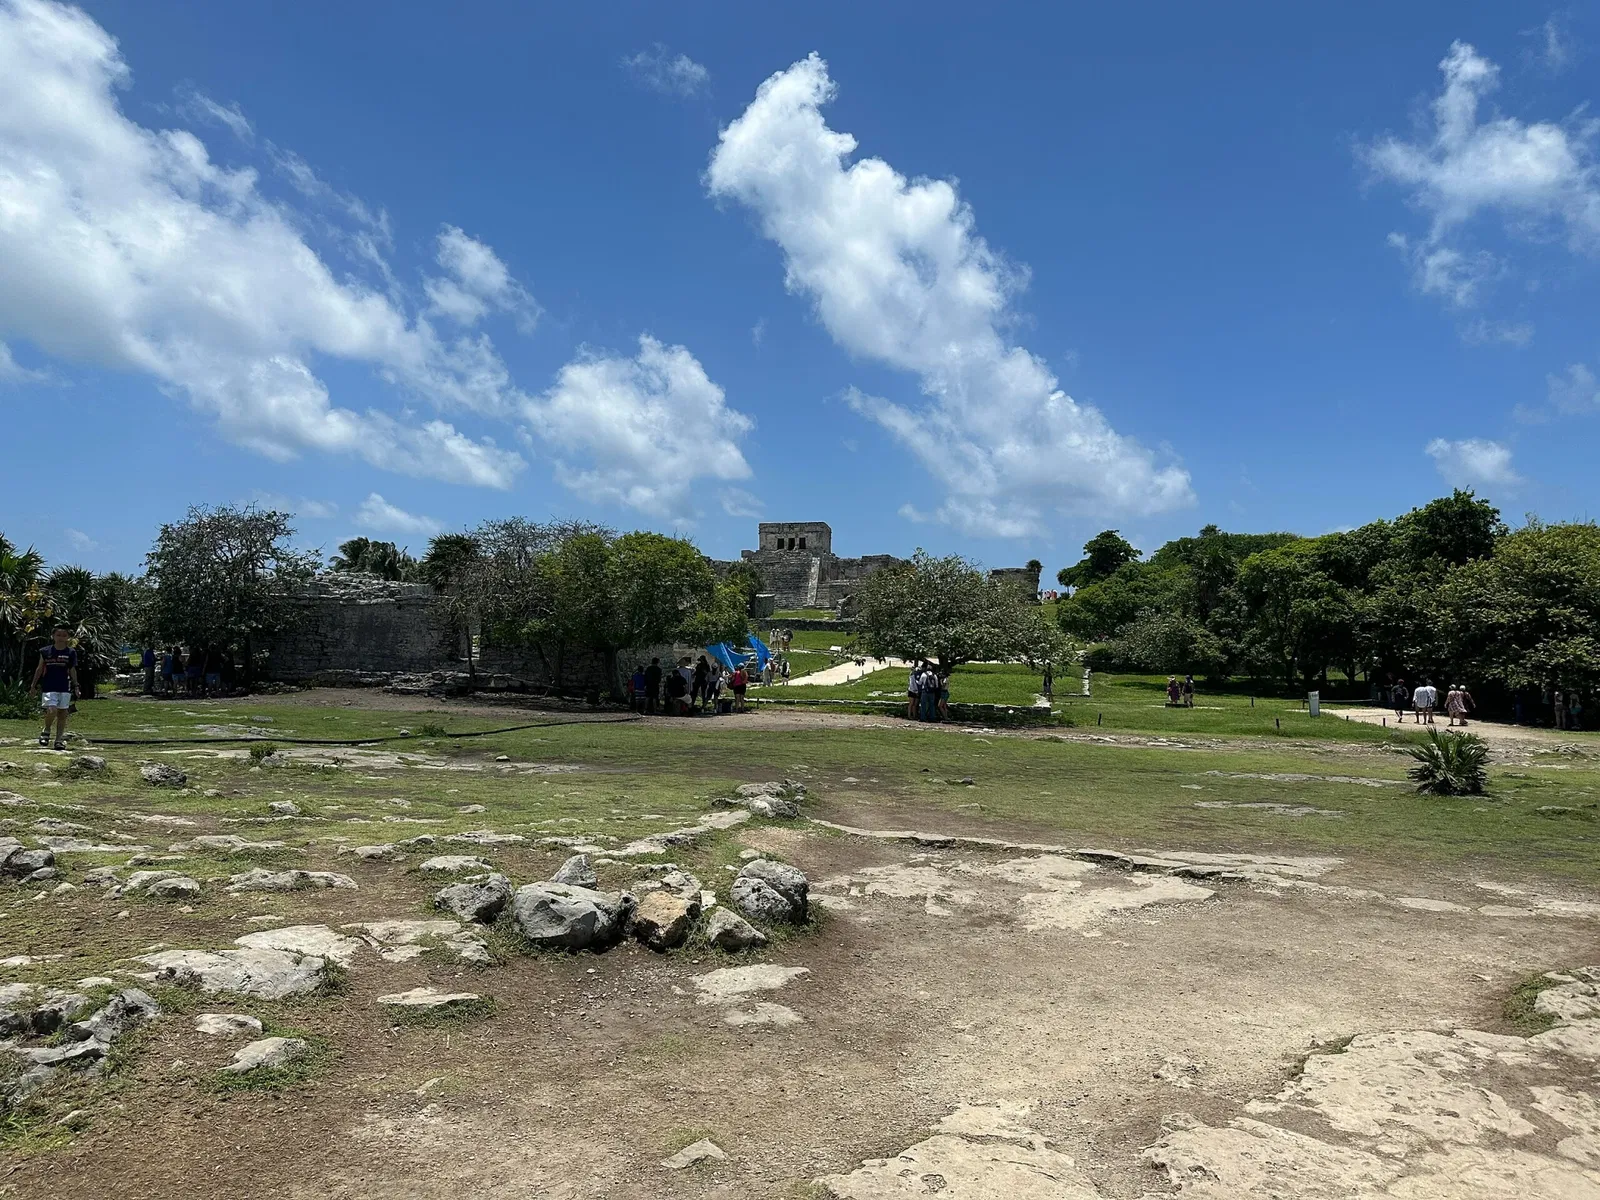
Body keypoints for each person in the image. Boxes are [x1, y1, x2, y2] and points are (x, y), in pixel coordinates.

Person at [30, 626, 80, 751]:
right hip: (49, 686)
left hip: (64, 686)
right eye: (58, 635)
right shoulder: (45, 651)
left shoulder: (71, 652)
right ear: (53, 636)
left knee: (63, 713)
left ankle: (58, 740)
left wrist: (76, 686)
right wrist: (33, 685)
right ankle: (46, 730)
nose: (61, 638)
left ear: (68, 637)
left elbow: (72, 669)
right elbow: (39, 668)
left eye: (64, 635)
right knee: (51, 710)